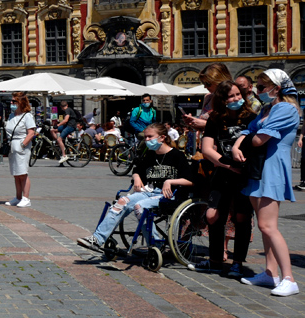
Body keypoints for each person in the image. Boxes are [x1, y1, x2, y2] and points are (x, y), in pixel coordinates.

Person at [231, 69, 300, 296]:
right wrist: (236, 144)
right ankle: (271, 273)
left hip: (271, 168)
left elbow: (258, 139)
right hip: (258, 167)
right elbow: (249, 131)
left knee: (267, 226)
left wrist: (242, 140)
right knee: (264, 226)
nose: (257, 91)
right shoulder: (269, 108)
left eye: (261, 87)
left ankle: (289, 277)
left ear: (276, 88)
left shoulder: (286, 109)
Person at [78, 123, 194, 252]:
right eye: (145, 137)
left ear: (162, 137)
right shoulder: (150, 155)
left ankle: (155, 244)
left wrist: (170, 181)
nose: (147, 140)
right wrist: (137, 177)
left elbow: (190, 181)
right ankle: (97, 239)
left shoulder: (177, 155)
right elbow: (137, 169)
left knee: (140, 206)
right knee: (121, 202)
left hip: (167, 195)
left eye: (150, 137)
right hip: (148, 191)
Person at [193, 80, 256, 276]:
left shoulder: (251, 117)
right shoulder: (215, 119)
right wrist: (227, 165)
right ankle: (215, 260)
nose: (236, 98)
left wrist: (241, 167)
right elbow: (207, 149)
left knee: (241, 217)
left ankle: (237, 262)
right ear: (222, 100)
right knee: (212, 215)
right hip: (222, 173)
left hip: (244, 175)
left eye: (238, 94)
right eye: (230, 96)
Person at [4, 92, 36, 208]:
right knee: (16, 173)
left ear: (21, 103)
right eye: (11, 101)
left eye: (14, 101)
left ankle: (26, 198)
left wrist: (23, 145)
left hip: (21, 145)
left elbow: (31, 132)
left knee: (23, 173)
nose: (11, 103)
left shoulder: (27, 116)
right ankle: (18, 197)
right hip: (12, 144)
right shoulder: (12, 115)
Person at [184, 63, 233, 130]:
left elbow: (231, 126)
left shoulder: (231, 98)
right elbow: (201, 125)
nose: (205, 86)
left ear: (219, 81)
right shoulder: (208, 97)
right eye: (204, 83)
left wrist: (205, 124)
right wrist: (193, 122)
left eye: (208, 83)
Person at [53, 100, 79, 164]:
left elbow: (65, 120)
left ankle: (64, 155)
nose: (63, 108)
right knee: (52, 130)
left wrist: (58, 125)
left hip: (70, 126)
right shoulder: (68, 109)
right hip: (67, 126)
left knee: (59, 139)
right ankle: (59, 143)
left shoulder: (68, 110)